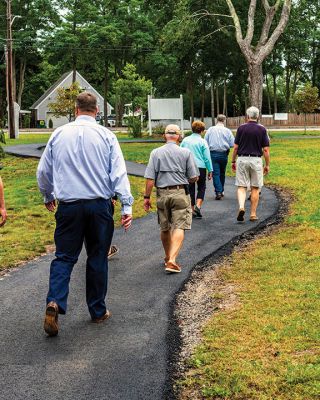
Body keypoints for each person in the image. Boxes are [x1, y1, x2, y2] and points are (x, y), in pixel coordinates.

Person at [37, 92, 133, 336]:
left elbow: (43, 171)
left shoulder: (59, 134)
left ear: (76, 109)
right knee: (97, 257)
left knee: (64, 257)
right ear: (97, 111)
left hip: (69, 206)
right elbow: (118, 173)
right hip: (99, 206)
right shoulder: (106, 135)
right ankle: (97, 310)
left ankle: (55, 301)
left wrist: (48, 195)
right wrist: (126, 206)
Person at [143, 124, 199, 274]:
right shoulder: (185, 153)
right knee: (179, 226)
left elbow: (150, 178)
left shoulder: (155, 153)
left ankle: (168, 256)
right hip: (180, 192)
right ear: (179, 137)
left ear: (164, 136)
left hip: (162, 193)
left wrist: (146, 197)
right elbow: (194, 177)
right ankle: (172, 260)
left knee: (165, 226)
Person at [231, 106, 270, 222]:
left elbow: (236, 147)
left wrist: (233, 161)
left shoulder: (241, 128)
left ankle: (242, 207)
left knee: (241, 186)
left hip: (242, 159)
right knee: (255, 187)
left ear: (247, 116)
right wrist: (267, 165)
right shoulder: (262, 129)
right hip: (256, 160)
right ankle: (253, 214)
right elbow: (266, 150)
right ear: (257, 116)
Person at [180, 121, 213, 219]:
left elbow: (180, 153)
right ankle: (198, 206)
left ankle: (191, 209)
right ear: (202, 131)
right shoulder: (203, 141)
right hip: (201, 167)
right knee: (201, 186)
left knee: (190, 187)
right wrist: (210, 170)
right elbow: (207, 157)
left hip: (188, 167)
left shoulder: (185, 140)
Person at [205, 114, 234, 200]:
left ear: (217, 120)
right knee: (222, 173)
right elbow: (232, 144)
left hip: (213, 153)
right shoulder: (227, 131)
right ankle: (221, 190)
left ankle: (218, 191)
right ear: (224, 120)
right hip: (224, 154)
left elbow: (205, 142)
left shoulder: (210, 130)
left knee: (216, 173)